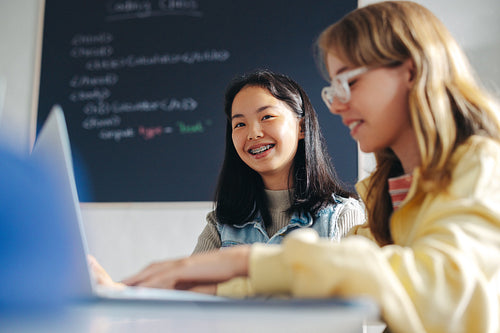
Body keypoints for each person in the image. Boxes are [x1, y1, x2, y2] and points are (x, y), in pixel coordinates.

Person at [109, 2, 500, 332]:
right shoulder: (387, 189)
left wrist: (243, 259)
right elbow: (319, 281)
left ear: (411, 70)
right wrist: (125, 292)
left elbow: (439, 288)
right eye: (238, 123)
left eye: (350, 82)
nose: (336, 104)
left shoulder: (483, 164)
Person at [192, 69, 364, 254]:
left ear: (302, 127)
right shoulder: (221, 223)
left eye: (267, 117)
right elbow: (194, 281)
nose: (253, 134)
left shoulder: (342, 215)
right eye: (240, 124)